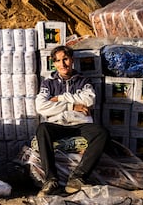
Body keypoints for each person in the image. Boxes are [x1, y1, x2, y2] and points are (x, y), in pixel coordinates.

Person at [35, 45, 111, 196]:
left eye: (65, 59)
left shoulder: (83, 81)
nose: (62, 64)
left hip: (81, 123)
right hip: (58, 124)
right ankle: (51, 180)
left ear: (72, 60)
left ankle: (78, 177)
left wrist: (60, 98)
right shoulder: (48, 83)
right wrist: (72, 105)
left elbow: (89, 100)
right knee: (42, 129)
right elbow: (41, 106)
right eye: (58, 61)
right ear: (53, 63)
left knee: (101, 133)